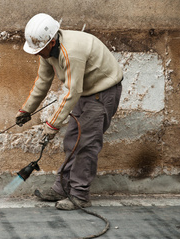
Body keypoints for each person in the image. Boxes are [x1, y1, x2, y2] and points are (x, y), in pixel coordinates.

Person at [16, 13, 123, 210]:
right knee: (71, 141)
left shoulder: (70, 52)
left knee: (86, 144)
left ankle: (80, 196)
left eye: (39, 49)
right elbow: (43, 81)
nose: (37, 53)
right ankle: (62, 189)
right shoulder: (47, 51)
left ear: (52, 41)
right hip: (86, 92)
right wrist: (26, 109)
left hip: (102, 93)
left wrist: (52, 125)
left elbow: (73, 92)